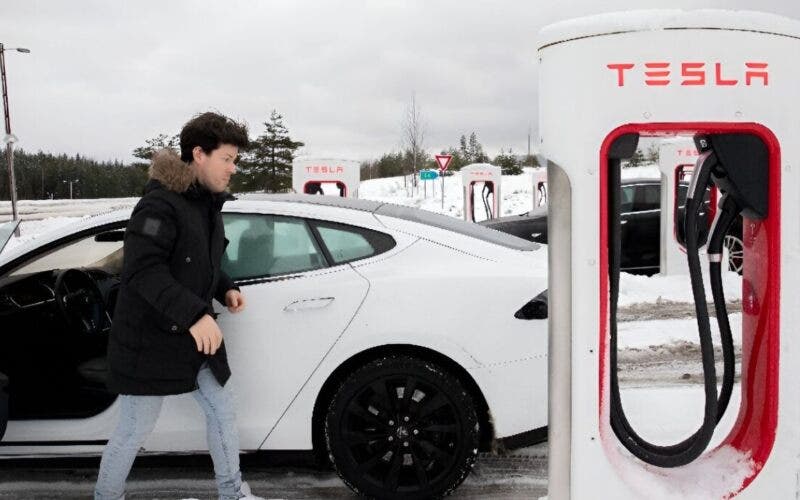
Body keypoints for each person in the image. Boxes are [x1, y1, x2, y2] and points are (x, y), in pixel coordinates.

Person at [95, 112, 264, 500]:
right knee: (135, 427)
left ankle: (232, 493)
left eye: (235, 160)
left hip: (192, 336)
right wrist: (195, 314)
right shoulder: (158, 207)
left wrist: (225, 289)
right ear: (199, 154)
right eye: (227, 159)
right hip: (150, 339)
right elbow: (143, 271)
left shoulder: (206, 205)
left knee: (222, 410)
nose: (232, 169)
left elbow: (199, 260)